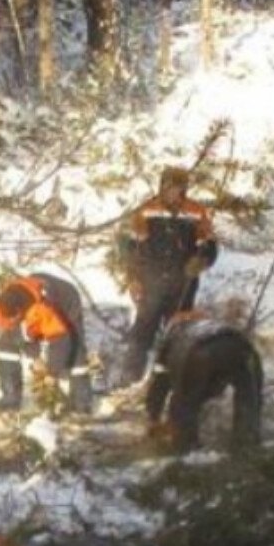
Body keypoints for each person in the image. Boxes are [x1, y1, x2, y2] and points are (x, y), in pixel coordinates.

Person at [116, 165, 218, 385]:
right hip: (151, 281)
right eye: (169, 187)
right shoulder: (145, 210)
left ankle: (173, 382)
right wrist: (133, 278)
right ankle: (129, 378)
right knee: (143, 330)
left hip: (183, 283)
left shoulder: (196, 212)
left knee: (179, 334)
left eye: (178, 188)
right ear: (161, 187)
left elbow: (208, 245)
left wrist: (201, 260)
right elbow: (131, 249)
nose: (173, 192)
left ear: (184, 189)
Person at [145, 312, 263, 453]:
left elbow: (159, 383)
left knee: (185, 404)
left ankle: (187, 452)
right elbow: (256, 386)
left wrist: (153, 415)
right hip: (242, 347)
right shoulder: (214, 326)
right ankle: (246, 444)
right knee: (248, 399)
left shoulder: (173, 337)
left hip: (199, 352)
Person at [0, 273, 95, 414]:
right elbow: (21, 332)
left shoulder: (41, 310)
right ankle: (10, 398)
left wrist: (52, 373)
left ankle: (81, 401)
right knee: (6, 342)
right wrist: (34, 356)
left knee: (75, 345)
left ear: (17, 315)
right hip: (30, 303)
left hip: (66, 299)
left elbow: (61, 338)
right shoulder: (4, 301)